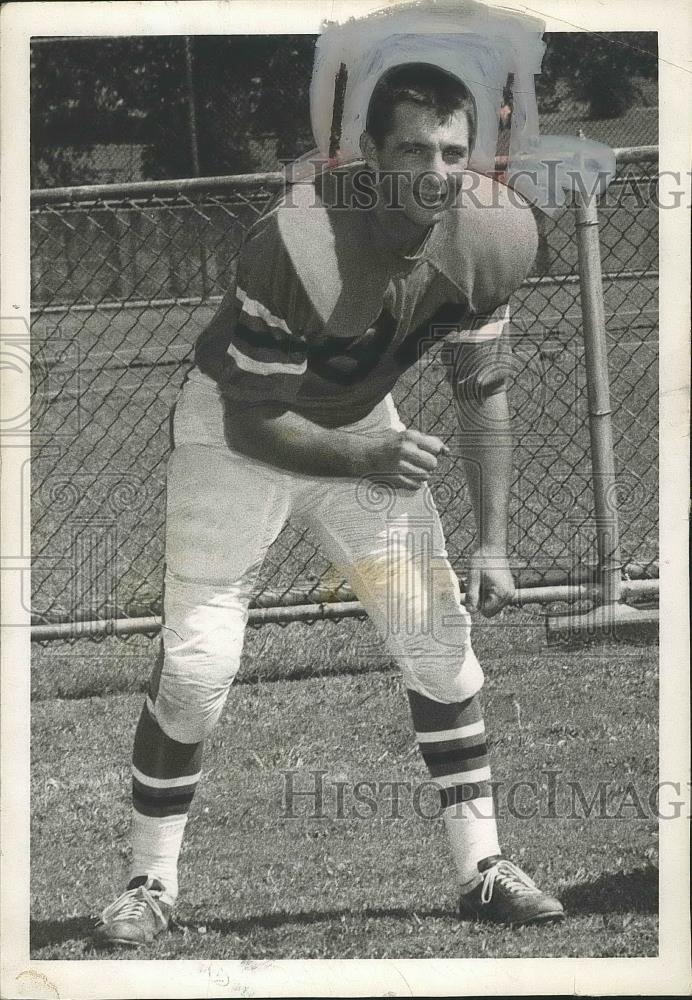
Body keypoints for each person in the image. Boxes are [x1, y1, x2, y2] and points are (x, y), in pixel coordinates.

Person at [95, 62, 564, 947]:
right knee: (197, 672)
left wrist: (494, 541)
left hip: (359, 426)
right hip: (238, 430)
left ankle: (484, 869)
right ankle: (149, 880)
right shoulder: (301, 238)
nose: (436, 171)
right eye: (414, 149)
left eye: (454, 152)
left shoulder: (491, 234)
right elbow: (255, 423)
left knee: (439, 646)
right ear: (369, 154)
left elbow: (483, 388)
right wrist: (365, 455)